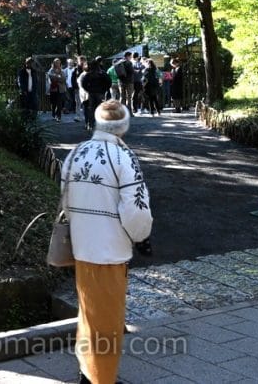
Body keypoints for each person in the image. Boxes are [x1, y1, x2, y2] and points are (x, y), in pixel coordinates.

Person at [60, 99, 152, 384]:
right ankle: (101, 379)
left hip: (82, 246)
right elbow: (136, 209)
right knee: (108, 320)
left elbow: (65, 198)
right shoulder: (123, 157)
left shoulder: (76, 153)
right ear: (123, 126)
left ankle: (88, 373)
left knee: (89, 314)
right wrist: (142, 237)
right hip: (110, 249)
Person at [79, 56, 111, 132]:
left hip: (92, 93)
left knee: (91, 109)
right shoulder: (102, 73)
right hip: (100, 93)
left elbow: (83, 83)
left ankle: (91, 125)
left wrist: (88, 90)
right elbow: (109, 82)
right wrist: (104, 90)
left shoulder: (89, 74)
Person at [47, 58, 67, 122]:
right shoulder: (51, 70)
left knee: (59, 104)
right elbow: (50, 76)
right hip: (53, 89)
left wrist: (56, 77)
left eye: (59, 62)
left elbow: (64, 79)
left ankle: (58, 116)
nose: (57, 63)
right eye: (56, 62)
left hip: (61, 89)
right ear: (54, 63)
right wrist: (58, 77)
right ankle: (53, 114)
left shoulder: (62, 70)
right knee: (53, 103)